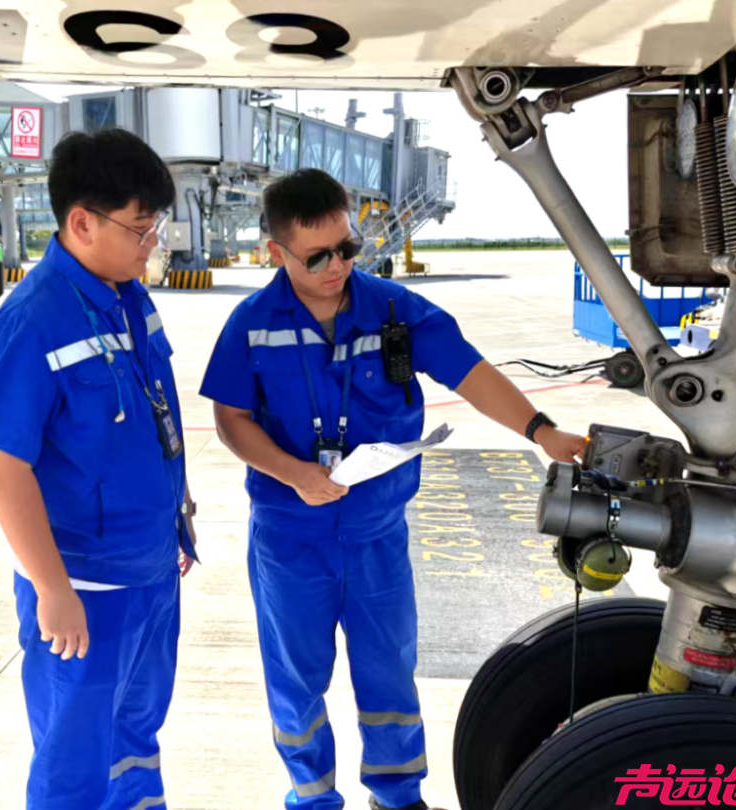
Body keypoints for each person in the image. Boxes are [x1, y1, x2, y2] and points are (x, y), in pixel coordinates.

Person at [200, 169, 585, 810]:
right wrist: (294, 473)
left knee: (389, 674)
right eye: (317, 257)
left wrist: (541, 430)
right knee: (296, 680)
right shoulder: (251, 324)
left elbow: (470, 372)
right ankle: (312, 796)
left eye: (347, 248)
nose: (337, 266)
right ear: (276, 252)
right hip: (290, 540)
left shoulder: (392, 310)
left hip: (377, 534)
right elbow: (231, 420)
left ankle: (398, 796)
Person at [0, 128, 198, 810]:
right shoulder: (35, 319)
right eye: (141, 229)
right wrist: (52, 589)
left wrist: (176, 514)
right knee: (74, 763)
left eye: (155, 227)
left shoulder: (128, 296)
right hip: (85, 587)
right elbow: (3, 465)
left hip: (150, 571)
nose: (153, 245)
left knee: (136, 738)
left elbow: (152, 414)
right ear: (82, 222)